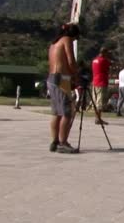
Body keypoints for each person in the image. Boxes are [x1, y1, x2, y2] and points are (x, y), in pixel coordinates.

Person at [47, 23, 80, 153]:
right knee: (67, 112)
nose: (75, 40)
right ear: (73, 35)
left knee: (56, 112)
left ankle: (55, 141)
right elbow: (71, 61)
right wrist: (76, 75)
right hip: (61, 78)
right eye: (76, 38)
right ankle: (63, 142)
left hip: (51, 77)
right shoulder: (67, 40)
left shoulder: (54, 43)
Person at [91, 47, 111, 125]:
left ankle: (97, 117)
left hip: (95, 82)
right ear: (104, 53)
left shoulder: (94, 60)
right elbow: (108, 68)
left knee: (95, 101)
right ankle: (98, 118)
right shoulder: (104, 60)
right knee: (100, 102)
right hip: (101, 83)